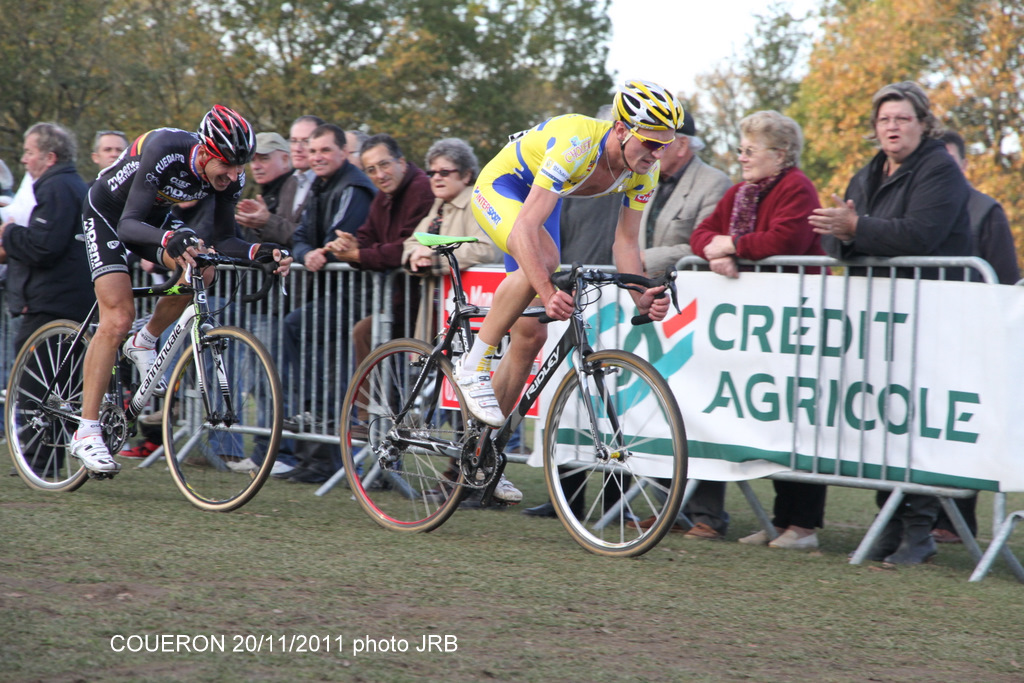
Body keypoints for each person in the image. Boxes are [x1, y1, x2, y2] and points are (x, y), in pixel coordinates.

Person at [458, 79, 680, 505]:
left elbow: (626, 244)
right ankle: (474, 364)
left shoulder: (644, 172)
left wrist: (641, 294)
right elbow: (524, 228)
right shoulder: (579, 142)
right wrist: (546, 287)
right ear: (620, 129)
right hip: (503, 188)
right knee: (543, 263)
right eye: (650, 143)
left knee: (531, 337)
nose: (656, 155)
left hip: (543, 201)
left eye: (664, 146)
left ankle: (482, 453)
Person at [70, 105, 293, 474]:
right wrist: (171, 237)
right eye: (227, 166)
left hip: (152, 220)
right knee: (118, 317)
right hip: (109, 217)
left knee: (201, 269)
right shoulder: (165, 148)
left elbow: (223, 239)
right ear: (205, 153)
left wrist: (262, 251)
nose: (236, 175)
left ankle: (147, 338)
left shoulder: (229, 175)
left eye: (242, 166)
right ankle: (87, 431)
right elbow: (128, 225)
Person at [809, 81, 973, 564]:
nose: (892, 127)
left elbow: (920, 235)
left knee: (916, 419)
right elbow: (842, 241)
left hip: (934, 311)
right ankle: (889, 524)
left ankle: (918, 532)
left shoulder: (940, 169)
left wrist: (857, 229)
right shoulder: (869, 172)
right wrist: (844, 234)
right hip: (882, 315)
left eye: (902, 118)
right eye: (884, 120)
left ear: (924, 124)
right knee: (886, 417)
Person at [690, 110, 826, 549]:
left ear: (780, 155)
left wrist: (734, 246)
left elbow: (786, 239)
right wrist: (716, 254)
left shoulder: (798, 189)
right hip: (758, 330)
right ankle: (780, 521)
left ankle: (802, 525)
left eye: (751, 150)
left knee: (797, 419)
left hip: (796, 323)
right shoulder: (740, 193)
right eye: (741, 149)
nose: (742, 157)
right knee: (765, 421)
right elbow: (703, 232)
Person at [293, 134, 434, 486]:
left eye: (384, 165)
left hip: (429, 302)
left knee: (438, 382)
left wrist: (357, 255)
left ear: (402, 161)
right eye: (371, 169)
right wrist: (353, 245)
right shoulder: (384, 196)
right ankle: (371, 419)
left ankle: (404, 428)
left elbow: (403, 247)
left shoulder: (420, 189)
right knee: (365, 331)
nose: (379, 174)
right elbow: (370, 240)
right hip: (399, 301)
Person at [633, 111, 735, 539]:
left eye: (663, 141)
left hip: (696, 305)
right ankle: (667, 508)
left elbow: (698, 243)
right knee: (658, 401)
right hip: (650, 301)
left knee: (703, 404)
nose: (655, 149)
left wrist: (637, 265)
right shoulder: (642, 177)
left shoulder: (714, 183)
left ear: (683, 144)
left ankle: (708, 514)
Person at [927, 130, 1020, 544]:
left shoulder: (986, 211)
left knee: (959, 426)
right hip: (924, 338)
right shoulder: (921, 206)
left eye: (950, 164)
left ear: (964, 166)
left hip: (970, 342)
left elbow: (1004, 280)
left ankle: (954, 521)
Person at [279, 123, 376, 447]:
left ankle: (319, 414)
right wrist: (307, 254)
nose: (317, 157)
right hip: (332, 292)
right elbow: (302, 235)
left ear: (343, 153)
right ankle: (316, 444)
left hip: (357, 295)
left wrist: (318, 252)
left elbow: (339, 238)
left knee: (296, 327)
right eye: (313, 150)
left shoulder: (354, 187)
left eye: (325, 150)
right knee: (304, 338)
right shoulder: (320, 185)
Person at [0, 123, 94, 352]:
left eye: (29, 152)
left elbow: (43, 246)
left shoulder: (56, 187)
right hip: (67, 300)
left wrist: (9, 232)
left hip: (53, 305)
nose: (24, 159)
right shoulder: (70, 184)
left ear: (50, 157)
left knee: (29, 384)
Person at [401, 137, 500, 340]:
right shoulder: (439, 205)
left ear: (466, 175)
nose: (436, 178)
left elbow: (487, 249)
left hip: (468, 305)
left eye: (444, 172)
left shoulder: (477, 203)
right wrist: (415, 256)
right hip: (436, 305)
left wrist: (434, 257)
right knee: (431, 363)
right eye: (431, 173)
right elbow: (413, 242)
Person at [234, 131, 299, 246]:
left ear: (285, 160)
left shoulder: (297, 190)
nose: (256, 166)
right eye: (252, 160)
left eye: (264, 159)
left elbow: (305, 237)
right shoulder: (267, 193)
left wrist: (267, 222)